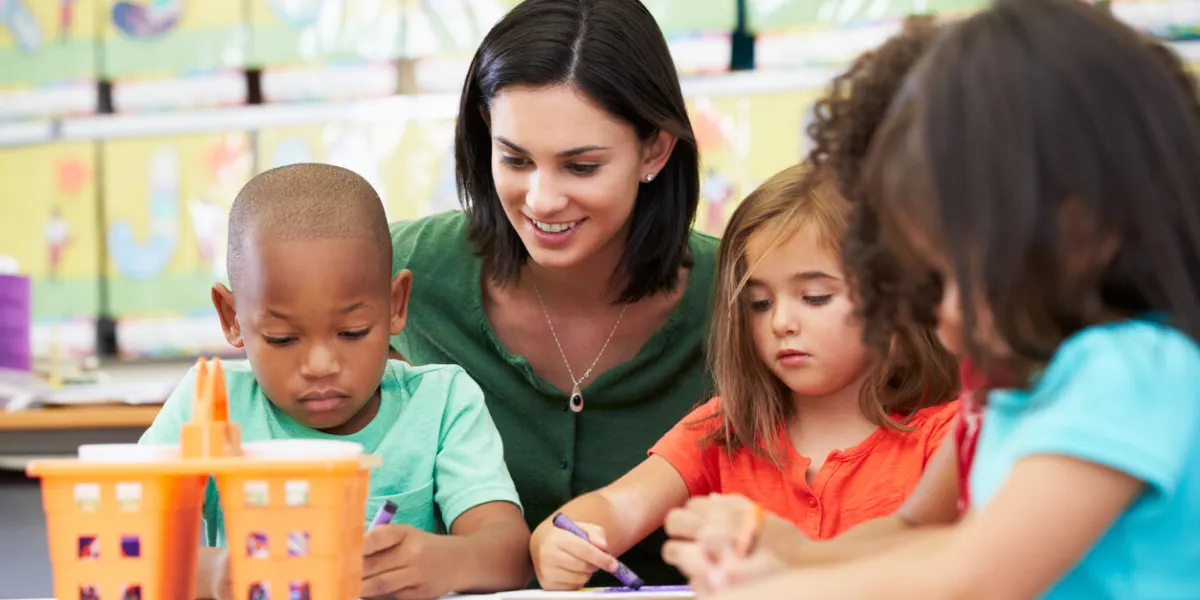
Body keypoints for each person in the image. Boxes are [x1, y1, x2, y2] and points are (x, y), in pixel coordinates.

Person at [661, 7, 1200, 595]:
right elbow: (918, 529)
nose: (936, 321)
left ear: (1076, 229)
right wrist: (788, 553)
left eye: (948, 279)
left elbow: (974, 575)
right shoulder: (1011, 384)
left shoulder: (1131, 369)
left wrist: (777, 588)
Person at [387, 0, 718, 585]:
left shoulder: (744, 291)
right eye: (514, 158)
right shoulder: (407, 267)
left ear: (655, 150)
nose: (541, 200)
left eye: (581, 167)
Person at [529, 163, 961, 590]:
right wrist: (562, 541)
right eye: (759, 303)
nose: (781, 323)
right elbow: (616, 507)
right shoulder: (725, 428)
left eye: (814, 297)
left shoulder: (949, 436)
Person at [139, 164, 532, 600]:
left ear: (395, 305)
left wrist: (445, 562)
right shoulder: (208, 404)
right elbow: (125, 540)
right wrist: (213, 574)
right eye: (282, 338)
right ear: (232, 318)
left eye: (353, 332)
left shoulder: (442, 402)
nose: (321, 365)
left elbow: (511, 553)